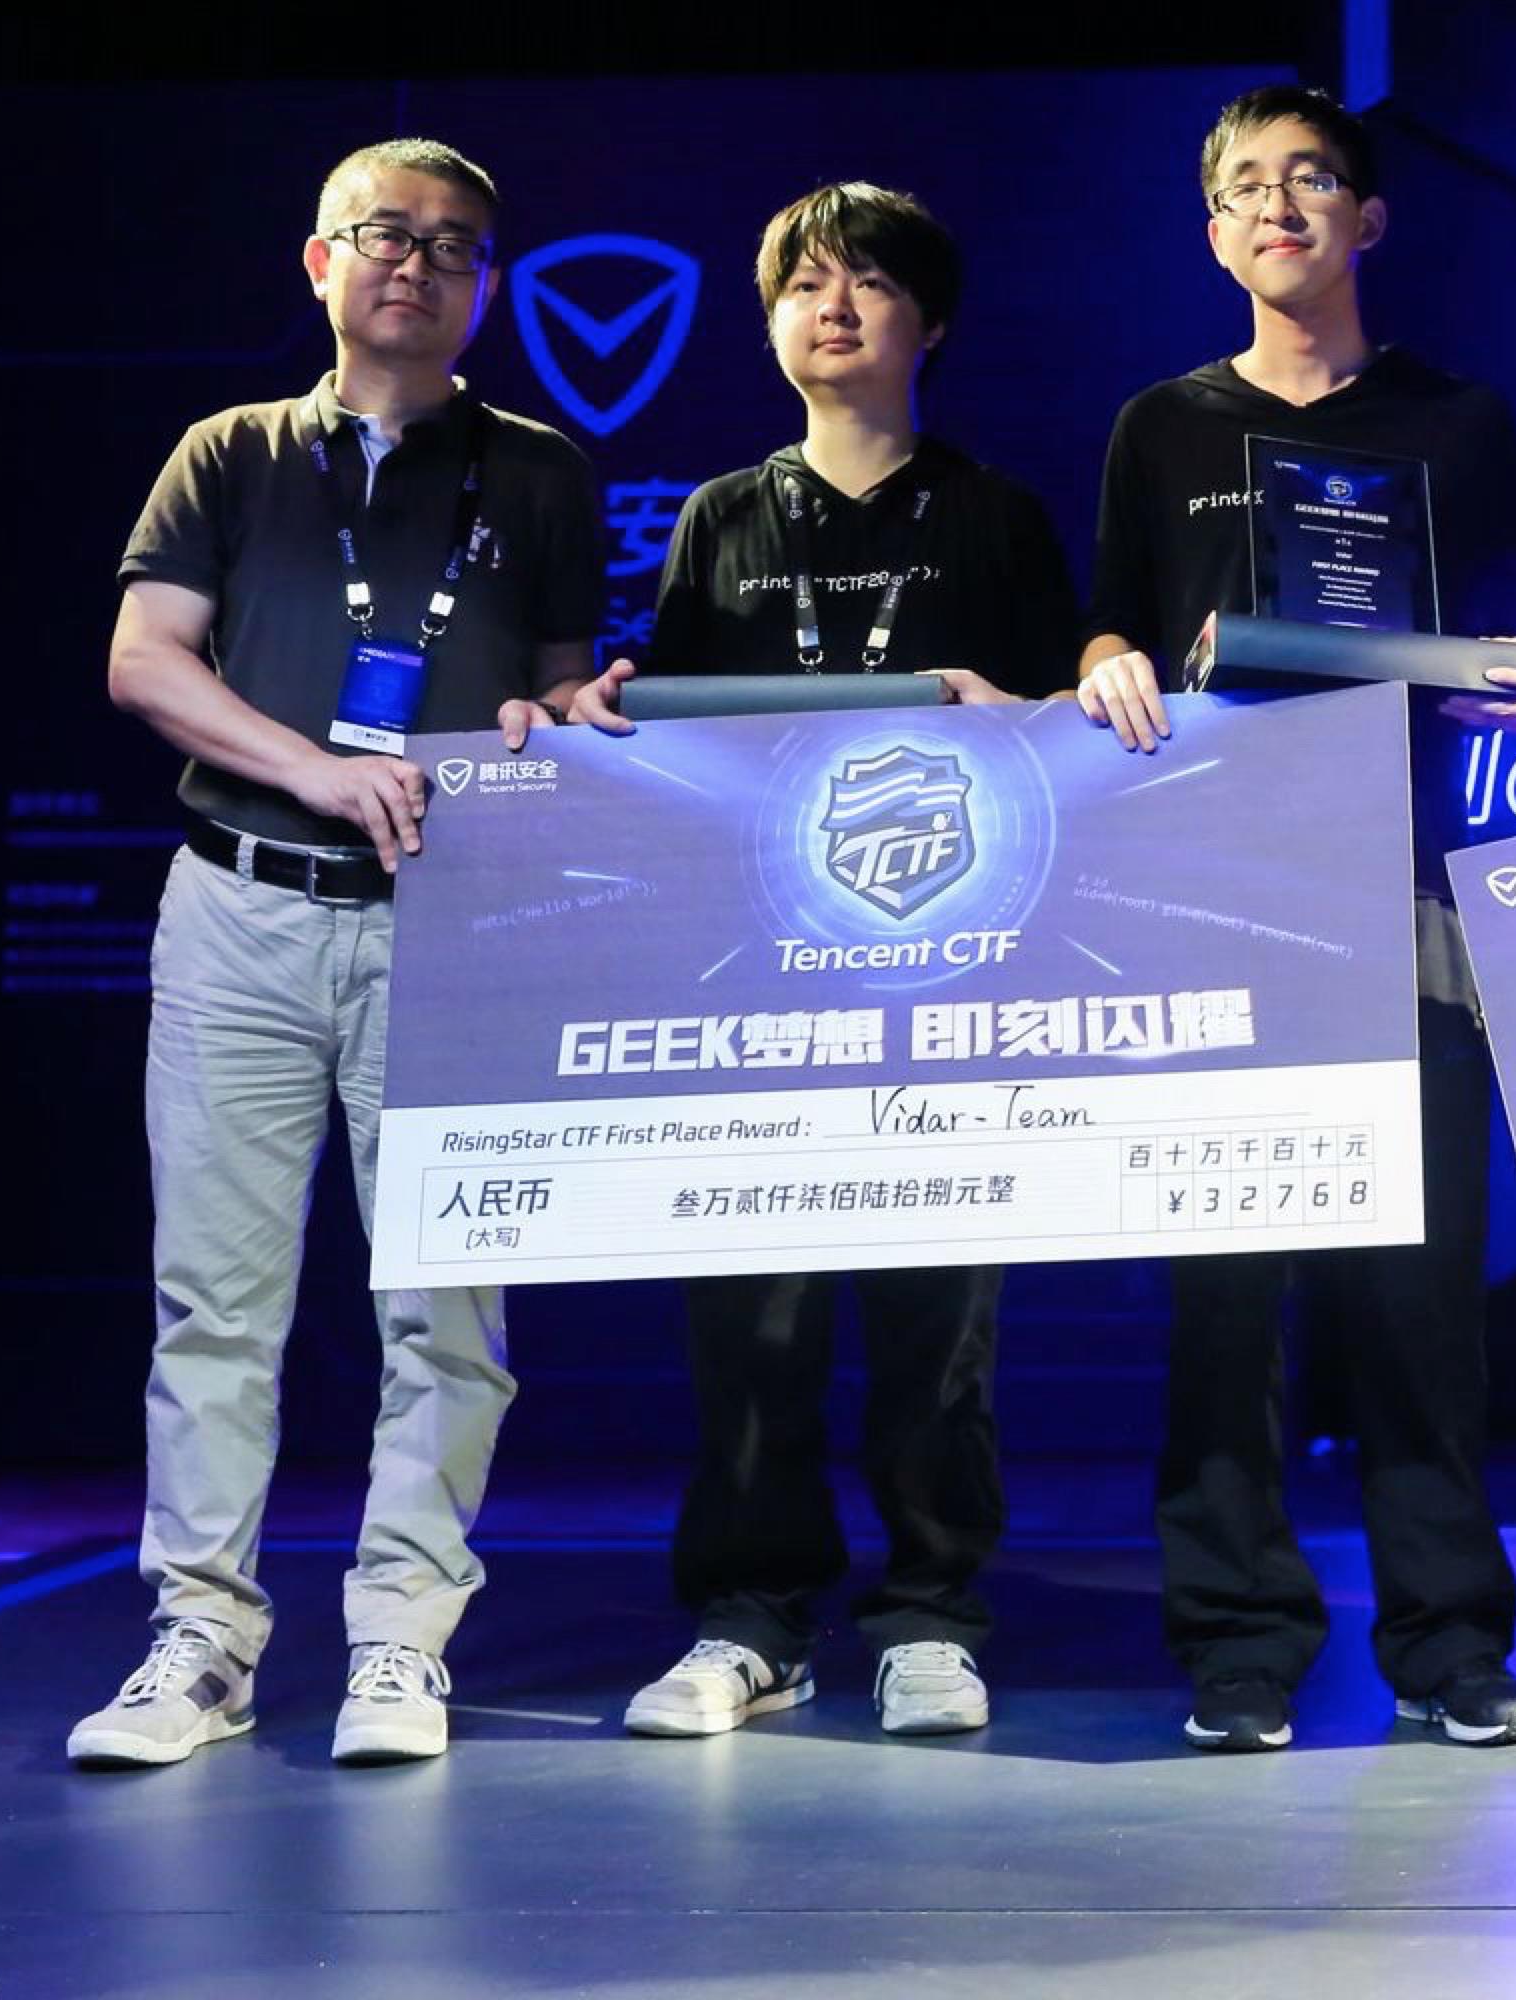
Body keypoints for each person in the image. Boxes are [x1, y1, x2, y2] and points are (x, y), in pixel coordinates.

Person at [73, 138, 629, 1767]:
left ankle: (402, 1638)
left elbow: (555, 686)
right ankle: (202, 1639)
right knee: (216, 1305)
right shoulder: (230, 453)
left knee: (448, 1312)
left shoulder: (541, 472)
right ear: (321, 264)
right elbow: (144, 662)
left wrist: (572, 715)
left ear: (488, 288)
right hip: (240, 907)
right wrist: (315, 769)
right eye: (385, 234)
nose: (417, 264)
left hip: (452, 922)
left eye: (455, 246)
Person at [1072, 83, 1516, 1752]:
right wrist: (1105, 663)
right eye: (1245, 186)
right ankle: (1237, 1640)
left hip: (1406, 893)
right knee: (1228, 1308)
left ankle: (1451, 1643)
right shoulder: (1161, 428)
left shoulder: (1460, 421)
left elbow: (1512, 626)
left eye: (1311, 179)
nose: (1278, 205)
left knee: (1418, 1305)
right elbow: (1110, 628)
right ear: (1214, 231)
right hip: (1213, 905)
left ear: (1370, 218)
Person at [616, 181, 1079, 1744]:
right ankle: (752, 1619)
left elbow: (1068, 745)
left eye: (869, 282)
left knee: (937, 1318)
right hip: (758, 982)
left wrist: (1023, 714)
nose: (833, 307)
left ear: (927, 322)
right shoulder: (718, 519)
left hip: (948, 971)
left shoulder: (995, 515)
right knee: (751, 1314)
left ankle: (932, 1614)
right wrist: (604, 710)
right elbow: (669, 748)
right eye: (803, 284)